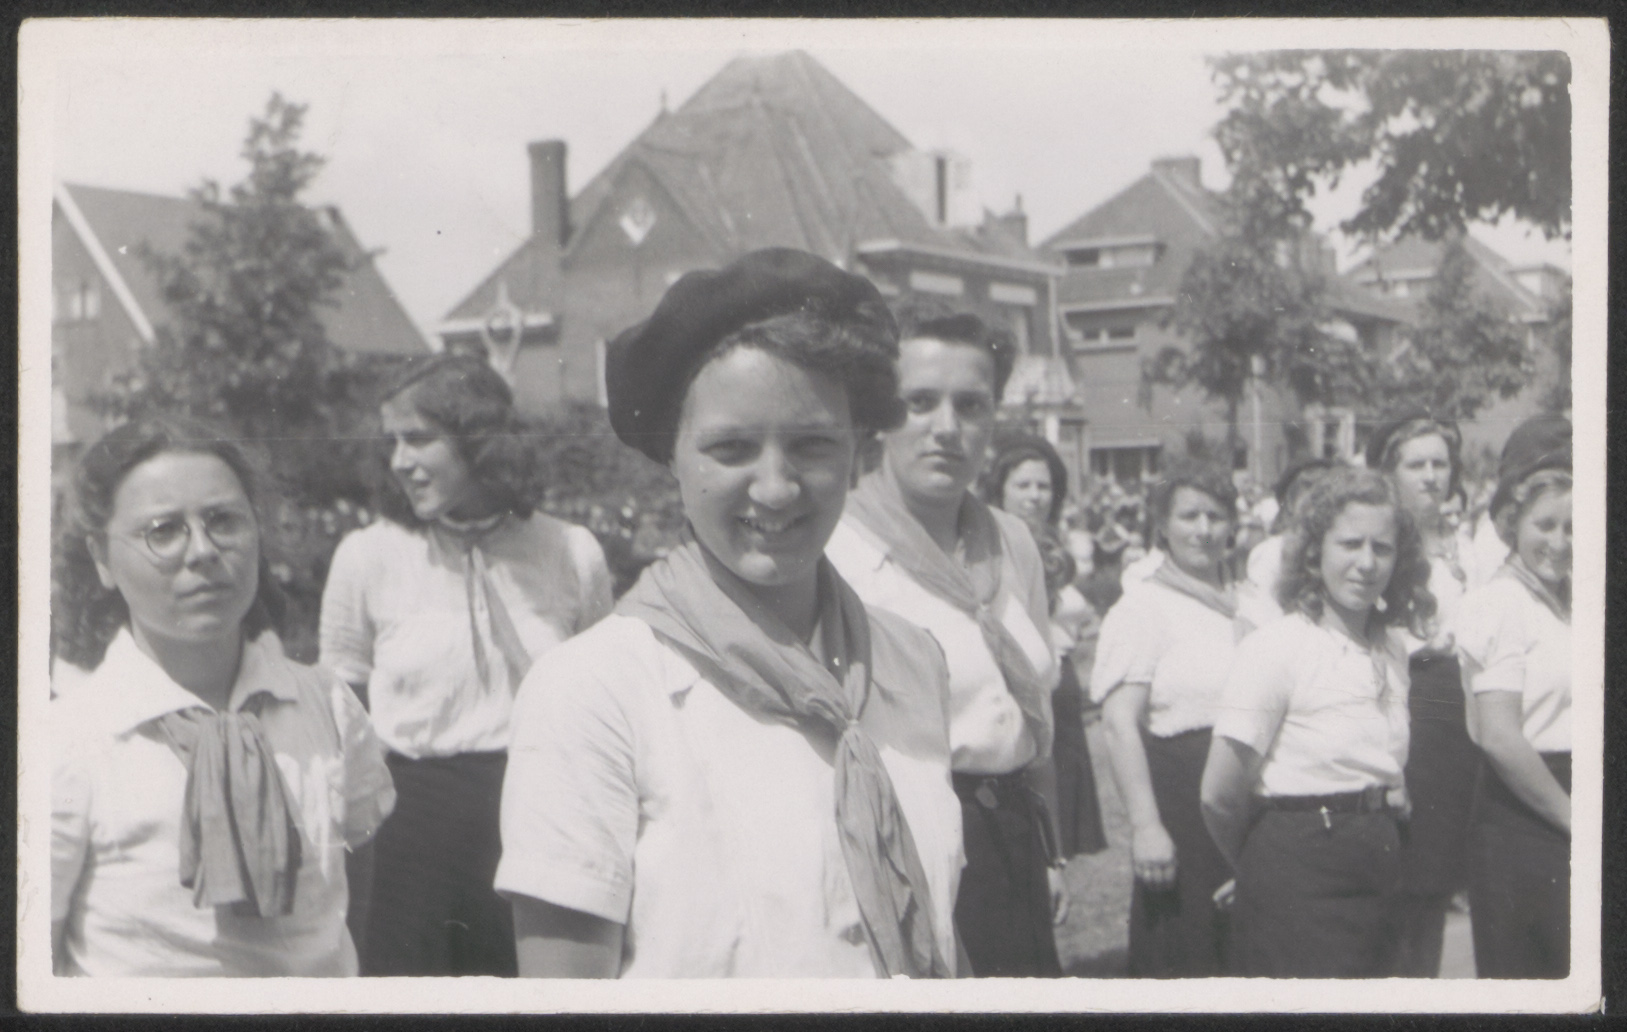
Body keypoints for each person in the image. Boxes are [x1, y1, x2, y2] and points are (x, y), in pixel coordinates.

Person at [496, 248, 962, 978]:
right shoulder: (593, 692)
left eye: (812, 444)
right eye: (731, 448)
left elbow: (939, 928)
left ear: (857, 453)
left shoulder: (912, 662)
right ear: (673, 459)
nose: (775, 488)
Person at [51, 417, 395, 976]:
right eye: (163, 530)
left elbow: (349, 887)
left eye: (223, 521)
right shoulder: (65, 743)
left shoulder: (325, 704)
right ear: (101, 559)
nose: (203, 551)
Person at [320, 355, 613, 977]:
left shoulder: (570, 551)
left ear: (479, 438)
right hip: (410, 836)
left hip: (543, 825)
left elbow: (604, 708)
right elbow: (339, 704)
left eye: (418, 438)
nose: (399, 461)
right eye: (392, 442)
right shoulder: (368, 556)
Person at [827, 309, 1064, 978]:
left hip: (1012, 835)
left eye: (971, 404)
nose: (947, 427)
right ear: (878, 413)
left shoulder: (1011, 541)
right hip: (908, 846)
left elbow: (1030, 705)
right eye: (920, 401)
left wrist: (1051, 853)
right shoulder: (836, 548)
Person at [1201, 467, 1432, 978]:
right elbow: (1218, 793)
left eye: (1382, 548)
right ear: (1314, 551)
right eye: (1350, 544)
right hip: (1299, 870)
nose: (1366, 563)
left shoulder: (1392, 648)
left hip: (1379, 862)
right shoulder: (1276, 647)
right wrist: (1258, 869)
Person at [1091, 460, 1241, 977]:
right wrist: (1146, 826)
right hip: (1183, 806)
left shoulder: (1253, 603)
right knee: (1188, 958)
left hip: (1250, 802)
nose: (1204, 529)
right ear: (1162, 525)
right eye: (1189, 516)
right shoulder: (1143, 608)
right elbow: (1119, 723)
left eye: (1216, 516)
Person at [1367, 412, 1486, 976]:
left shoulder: (1465, 543)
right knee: (1409, 885)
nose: (1432, 476)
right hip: (1410, 711)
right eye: (1417, 464)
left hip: (1460, 717)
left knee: (1438, 886)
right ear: (1389, 472)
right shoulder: (1382, 546)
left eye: (1440, 463)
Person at [1452, 416, 1572, 978]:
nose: (1560, 543)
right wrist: (1577, 820)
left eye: (1574, 527)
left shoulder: (1572, 599)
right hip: (1525, 817)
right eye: (1545, 525)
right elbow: (1499, 736)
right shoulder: (1500, 603)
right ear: (1512, 521)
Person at [985, 434, 1108, 860]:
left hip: (1061, 681)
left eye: (1044, 486)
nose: (1035, 496)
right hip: (1017, 680)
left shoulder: (1056, 542)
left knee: (1062, 811)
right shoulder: (988, 543)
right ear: (1000, 489)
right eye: (1023, 485)